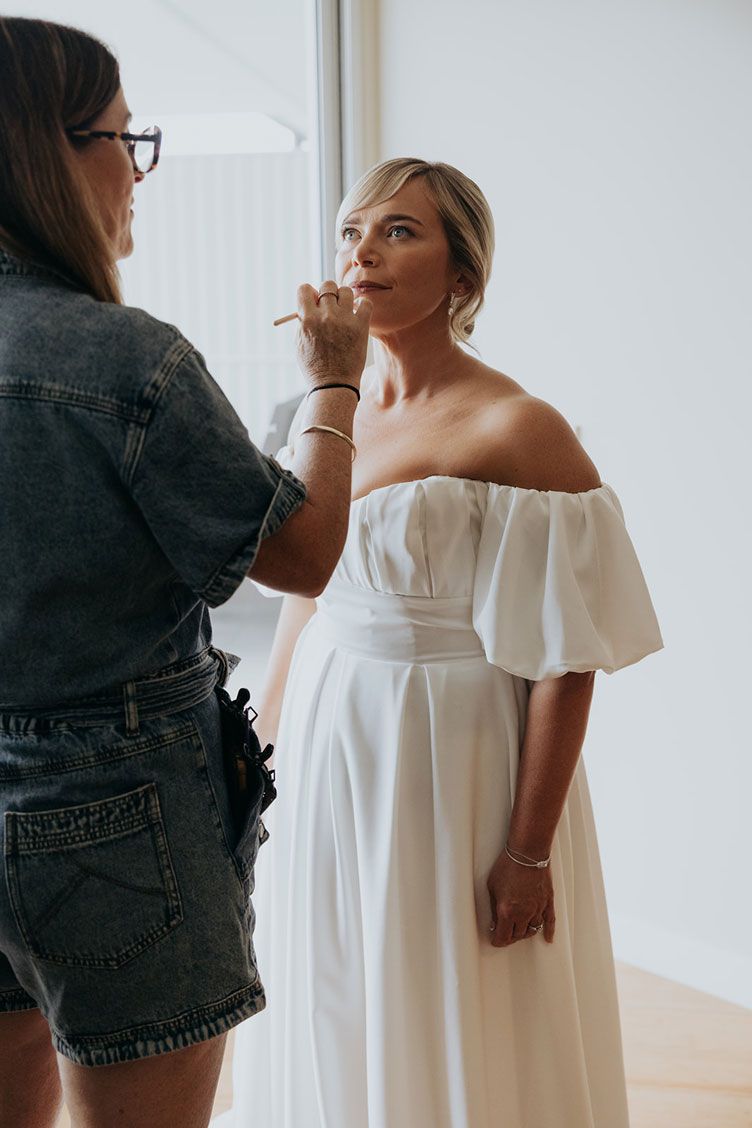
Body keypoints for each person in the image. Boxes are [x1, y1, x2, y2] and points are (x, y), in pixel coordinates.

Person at [224, 157, 664, 1128]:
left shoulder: (519, 427)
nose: (362, 252)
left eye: (397, 231)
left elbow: (564, 657)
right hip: (333, 748)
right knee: (338, 980)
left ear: (461, 277)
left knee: (455, 991)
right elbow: (306, 593)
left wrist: (528, 852)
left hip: (456, 760)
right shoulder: (323, 414)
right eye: (349, 232)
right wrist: (265, 749)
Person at [0, 17, 372, 1128]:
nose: (137, 168)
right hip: (115, 816)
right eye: (126, 136)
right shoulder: (122, 358)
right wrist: (334, 385)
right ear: (49, 153)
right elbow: (299, 554)